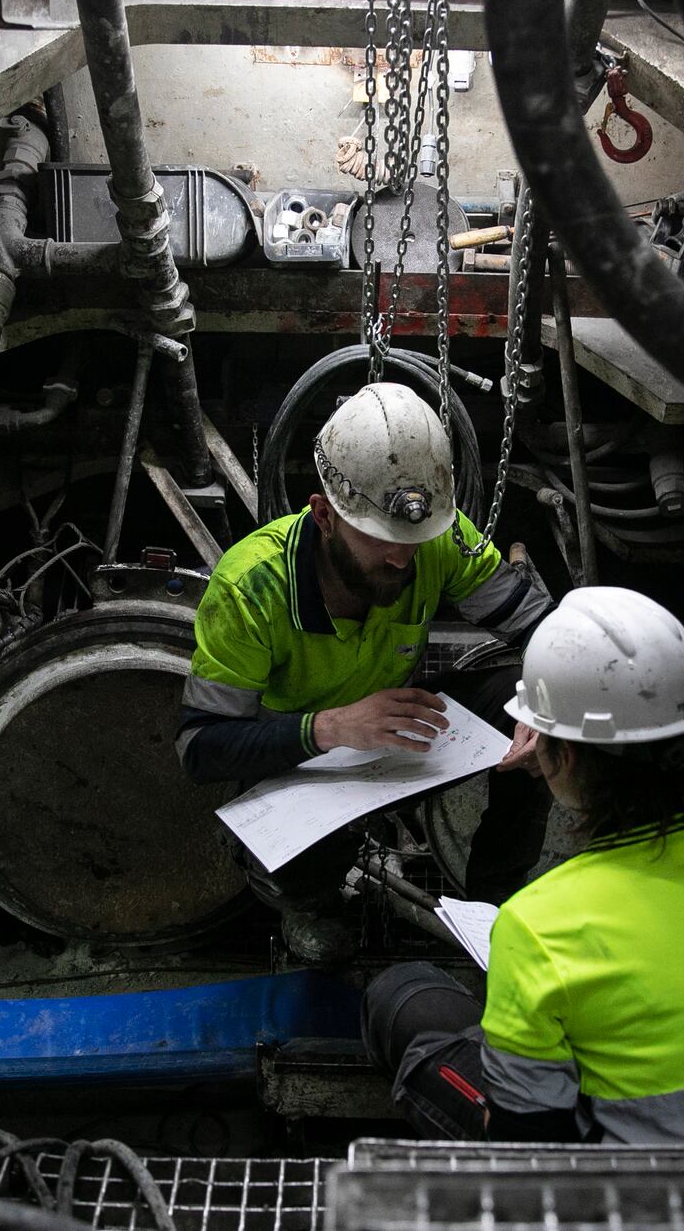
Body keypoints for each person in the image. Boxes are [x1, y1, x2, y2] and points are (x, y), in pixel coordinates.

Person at [361, 587, 684, 1144]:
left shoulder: (536, 927)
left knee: (406, 1004)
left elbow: (528, 1143)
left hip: (643, 1190)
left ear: (559, 757)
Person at [177, 381, 553, 963]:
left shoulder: (437, 542)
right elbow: (200, 748)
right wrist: (330, 728)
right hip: (302, 763)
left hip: (398, 735)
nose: (403, 559)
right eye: (382, 541)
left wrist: (544, 710)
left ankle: (492, 902)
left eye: (415, 540)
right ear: (323, 514)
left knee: (528, 710)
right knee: (299, 870)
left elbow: (541, 628)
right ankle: (312, 902)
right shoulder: (249, 588)